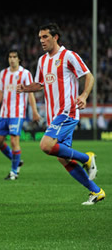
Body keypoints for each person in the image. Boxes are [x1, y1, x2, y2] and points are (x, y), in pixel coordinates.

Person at [17, 23, 105, 205]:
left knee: (45, 145)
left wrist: (84, 95)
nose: (41, 41)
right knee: (63, 158)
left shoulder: (68, 56)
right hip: (53, 116)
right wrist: (25, 88)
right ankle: (97, 191)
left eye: (45, 37)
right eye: (40, 37)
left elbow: (89, 76)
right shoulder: (42, 61)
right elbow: (39, 84)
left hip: (67, 111)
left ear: (55, 37)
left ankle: (87, 158)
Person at [0, 50, 41, 180]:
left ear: (19, 59)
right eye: (10, 57)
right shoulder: (3, 73)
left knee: (13, 141)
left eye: (14, 57)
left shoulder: (25, 74)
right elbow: (0, 92)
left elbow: (30, 93)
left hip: (17, 113)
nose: (12, 59)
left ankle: (14, 172)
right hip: (4, 113)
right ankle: (16, 160)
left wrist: (34, 111)